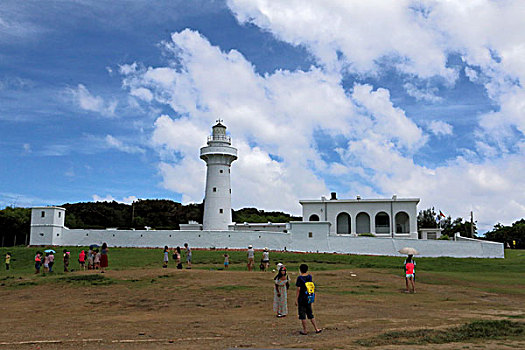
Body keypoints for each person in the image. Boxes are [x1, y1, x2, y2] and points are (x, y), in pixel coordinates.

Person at [295, 263, 321, 335]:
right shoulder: (309, 277)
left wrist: (296, 299)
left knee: (302, 315)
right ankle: (316, 328)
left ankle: (305, 330)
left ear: (300, 270)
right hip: (309, 297)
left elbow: (298, 289)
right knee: (310, 313)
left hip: (302, 298)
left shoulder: (299, 278)